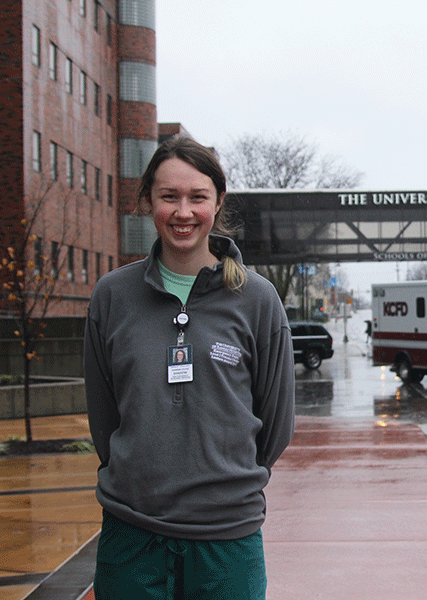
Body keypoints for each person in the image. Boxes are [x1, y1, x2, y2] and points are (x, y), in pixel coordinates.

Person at [84, 135, 296, 599]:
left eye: (197, 197)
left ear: (217, 202)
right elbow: (103, 417)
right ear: (148, 202)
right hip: (131, 536)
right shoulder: (112, 297)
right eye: (169, 197)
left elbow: (276, 424)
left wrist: (223, 483)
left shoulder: (257, 300)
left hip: (227, 541)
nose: (183, 212)